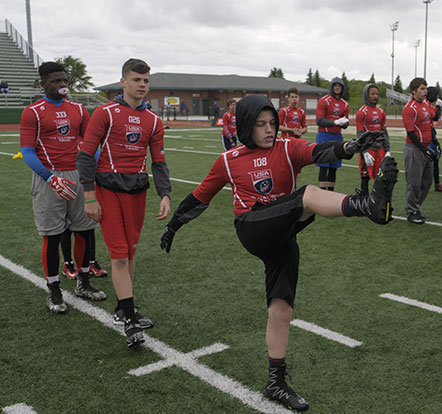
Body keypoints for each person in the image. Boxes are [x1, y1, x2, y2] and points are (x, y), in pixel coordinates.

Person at [159, 95, 397, 411]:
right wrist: (173, 225)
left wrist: (351, 147)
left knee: (281, 309)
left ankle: (275, 382)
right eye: (260, 124)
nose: (269, 130)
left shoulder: (287, 147)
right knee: (309, 195)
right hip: (252, 227)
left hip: (283, 234)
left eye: (272, 123)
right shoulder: (229, 159)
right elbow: (200, 196)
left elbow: (319, 151)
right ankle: (366, 205)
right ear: (246, 126)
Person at [77, 58, 172, 348]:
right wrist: (89, 196)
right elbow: (85, 156)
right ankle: (130, 321)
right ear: (123, 82)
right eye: (136, 80)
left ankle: (123, 307)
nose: (141, 85)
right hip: (108, 190)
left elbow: (159, 161)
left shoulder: (153, 120)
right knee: (118, 256)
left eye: (145, 80)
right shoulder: (105, 113)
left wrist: (165, 194)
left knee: (129, 254)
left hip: (138, 191)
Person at [20, 61, 107, 314]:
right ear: (43, 83)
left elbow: (92, 144)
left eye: (65, 81)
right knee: (53, 235)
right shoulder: (32, 112)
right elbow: (27, 152)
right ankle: (54, 290)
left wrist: (93, 168)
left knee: (84, 230)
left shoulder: (80, 110)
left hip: (78, 174)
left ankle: (83, 283)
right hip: (49, 177)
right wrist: (50, 178)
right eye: (56, 81)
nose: (62, 85)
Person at [402, 77, 437, 224]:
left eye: (426, 88)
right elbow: (411, 133)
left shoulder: (426, 104)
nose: (425, 91)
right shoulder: (409, 108)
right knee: (414, 182)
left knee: (427, 180)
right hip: (415, 148)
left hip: (426, 147)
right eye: (422, 89)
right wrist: (424, 149)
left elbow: (430, 124)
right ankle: (411, 211)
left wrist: (435, 142)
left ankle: (416, 207)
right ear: (414, 91)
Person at [315, 77, 350, 190]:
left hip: (337, 136)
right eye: (335, 85)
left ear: (342, 88)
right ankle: (322, 193)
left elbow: (345, 124)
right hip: (324, 136)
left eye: (339, 86)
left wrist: (344, 123)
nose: (337, 87)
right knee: (324, 166)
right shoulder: (324, 100)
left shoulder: (345, 104)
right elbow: (319, 121)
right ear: (332, 87)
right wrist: (335, 122)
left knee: (334, 167)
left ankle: (330, 193)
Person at [355, 83, 390, 194]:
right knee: (365, 177)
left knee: (381, 176)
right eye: (372, 94)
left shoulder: (381, 112)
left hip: (380, 149)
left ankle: (377, 202)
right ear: (367, 95)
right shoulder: (362, 112)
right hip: (368, 149)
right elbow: (360, 134)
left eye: (377, 94)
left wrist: (388, 150)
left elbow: (384, 131)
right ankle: (363, 203)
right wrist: (365, 152)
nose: (375, 96)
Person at [426, 86, 442, 192]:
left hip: (430, 136)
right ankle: (434, 183)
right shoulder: (425, 105)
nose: (438, 96)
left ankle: (437, 183)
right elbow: (436, 116)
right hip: (425, 138)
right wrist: (438, 105)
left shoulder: (427, 105)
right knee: (430, 160)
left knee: (435, 158)